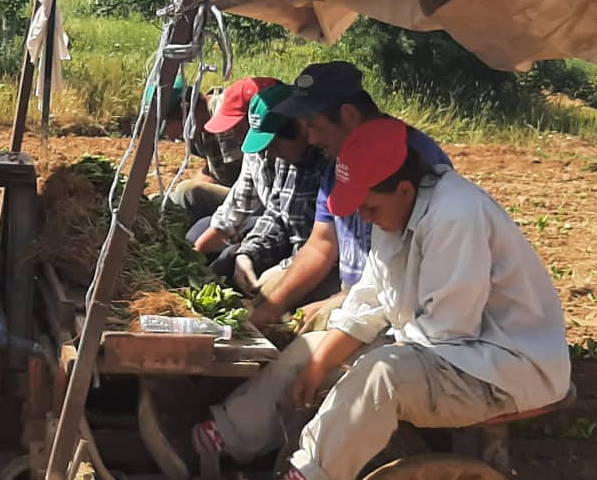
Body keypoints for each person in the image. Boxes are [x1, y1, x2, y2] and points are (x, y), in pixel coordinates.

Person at [190, 116, 571, 480]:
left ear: (405, 190)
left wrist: (354, 364)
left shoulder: (456, 216)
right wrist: (322, 361)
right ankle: (220, 441)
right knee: (312, 349)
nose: (365, 218)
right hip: (446, 348)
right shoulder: (398, 212)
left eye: (370, 208)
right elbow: (372, 298)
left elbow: (445, 330)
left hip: (500, 366)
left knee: (381, 374)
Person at [247, 61, 451, 333]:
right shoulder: (338, 161)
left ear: (349, 115)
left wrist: (342, 301)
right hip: (356, 293)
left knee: (306, 339)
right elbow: (322, 244)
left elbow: (413, 275)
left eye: (314, 126)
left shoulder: (410, 160)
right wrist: (270, 307)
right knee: (265, 299)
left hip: (398, 310)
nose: (310, 139)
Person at [189, 83, 327, 288]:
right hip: (289, 248)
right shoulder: (284, 157)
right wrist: (248, 254)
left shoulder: (325, 166)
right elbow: (276, 215)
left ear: (300, 127)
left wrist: (284, 269)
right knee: (222, 255)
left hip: (315, 264)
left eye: (275, 144)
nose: (270, 154)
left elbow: (319, 248)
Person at [165, 76, 275, 226]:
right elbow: (213, 171)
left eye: (167, 127)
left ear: (185, 110)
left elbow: (241, 182)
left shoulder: (229, 118)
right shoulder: (197, 128)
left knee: (189, 192)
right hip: (242, 195)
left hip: (255, 200)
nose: (170, 136)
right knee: (175, 196)